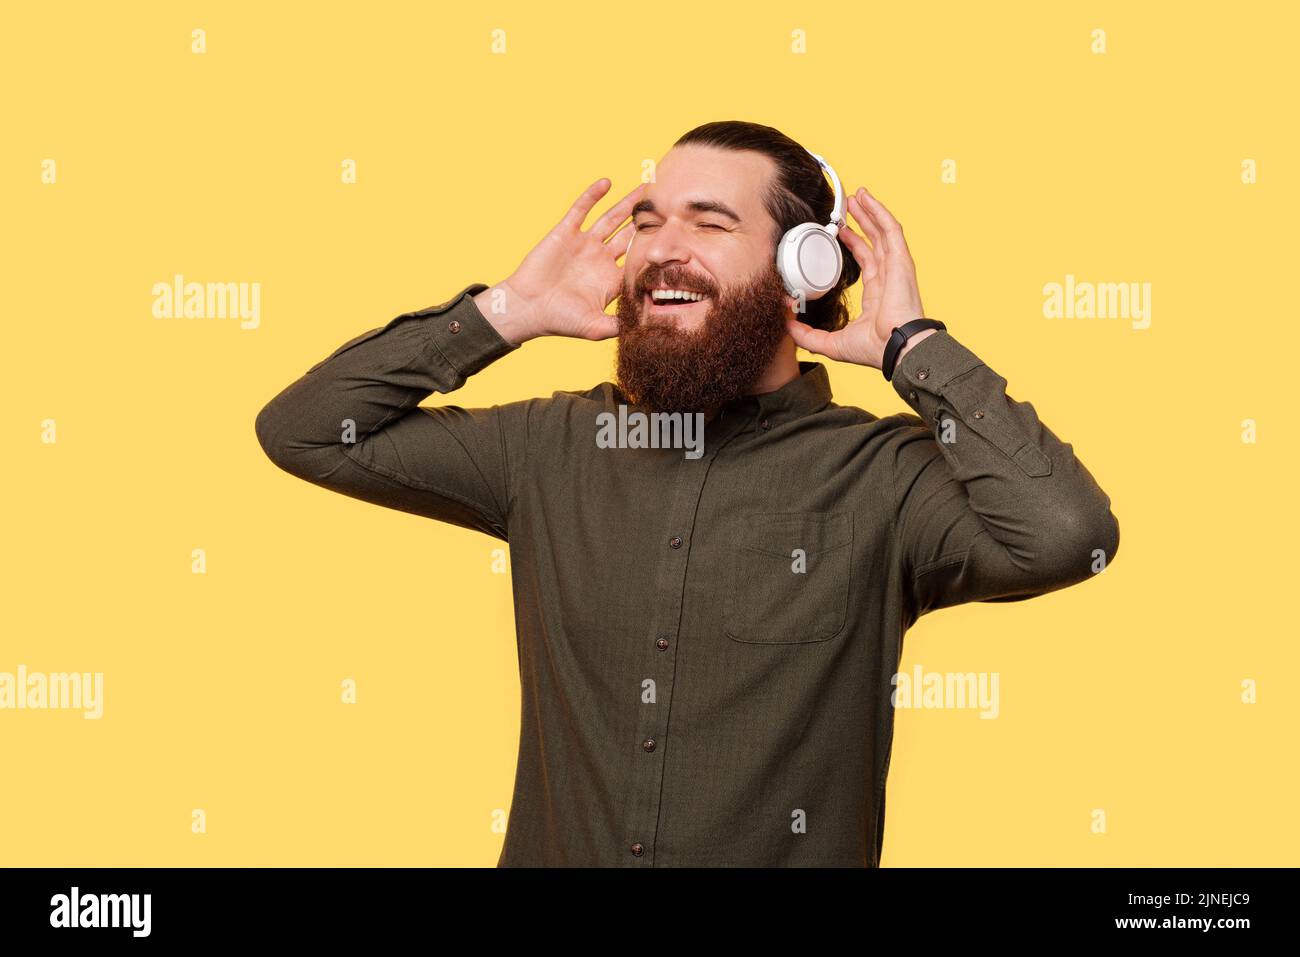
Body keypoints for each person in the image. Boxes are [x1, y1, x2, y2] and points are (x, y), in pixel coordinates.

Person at [254, 120, 1120, 867]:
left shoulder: (884, 475)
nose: (663, 247)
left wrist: (913, 348)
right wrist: (508, 311)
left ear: (802, 266)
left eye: (710, 223)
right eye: (648, 220)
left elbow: (1066, 533)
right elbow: (305, 428)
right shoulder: (547, 447)